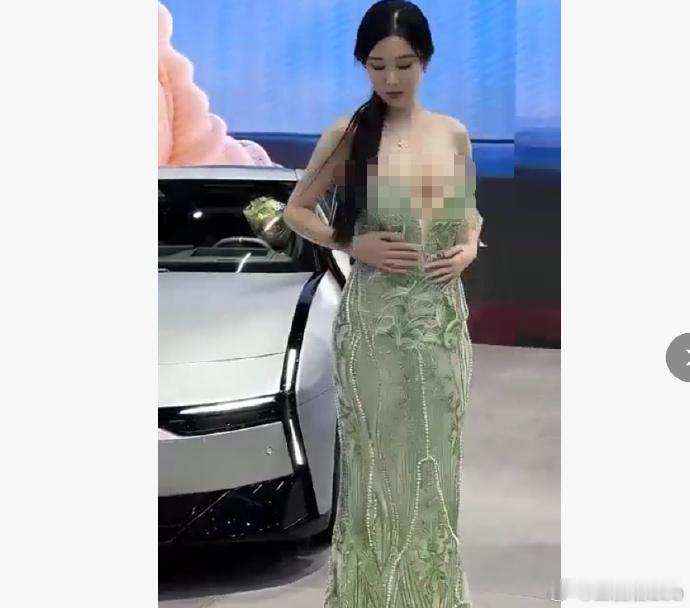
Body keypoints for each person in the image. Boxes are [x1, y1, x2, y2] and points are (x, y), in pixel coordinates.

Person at [283, 2, 483, 606]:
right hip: (375, 329)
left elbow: (470, 213)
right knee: (375, 471)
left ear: (425, 61)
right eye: (377, 66)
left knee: (435, 470)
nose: (391, 79)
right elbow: (296, 211)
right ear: (362, 64)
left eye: (404, 64)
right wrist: (351, 242)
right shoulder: (347, 135)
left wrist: (468, 247)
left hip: (442, 327)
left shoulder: (452, 133)